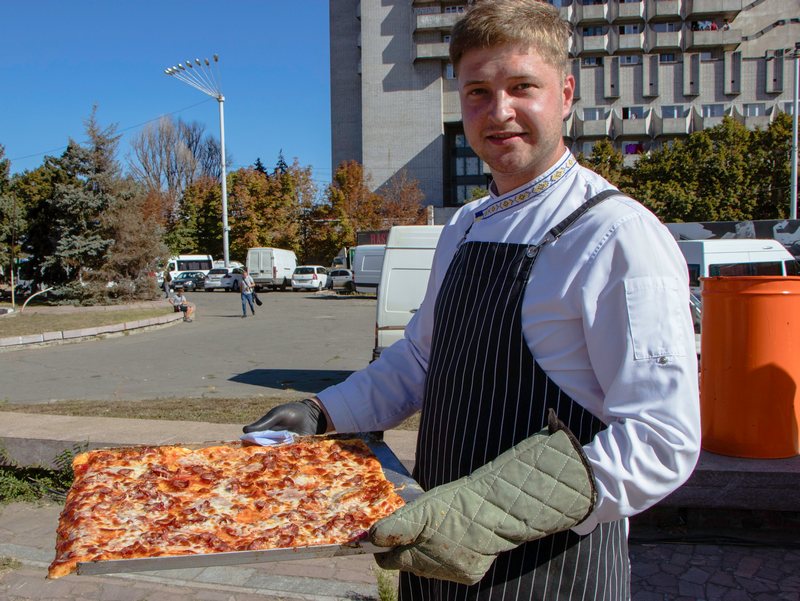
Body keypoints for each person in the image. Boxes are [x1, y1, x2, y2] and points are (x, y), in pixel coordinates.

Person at [244, 1, 700, 598]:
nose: (499, 111)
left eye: (522, 87)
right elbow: (419, 362)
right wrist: (321, 413)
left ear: (564, 93)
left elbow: (661, 438)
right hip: (436, 559)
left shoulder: (616, 235)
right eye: (478, 91)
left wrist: (480, 514)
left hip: (548, 571)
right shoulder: (465, 224)